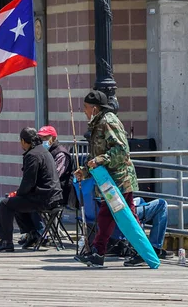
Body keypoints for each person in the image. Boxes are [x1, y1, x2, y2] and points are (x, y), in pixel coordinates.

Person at [74, 90, 139, 268]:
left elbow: (121, 150)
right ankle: (98, 252)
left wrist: (98, 161)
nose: (84, 111)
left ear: (94, 108)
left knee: (123, 217)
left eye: (86, 108)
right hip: (110, 181)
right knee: (110, 216)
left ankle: (102, 252)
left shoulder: (108, 121)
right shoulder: (99, 123)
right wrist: (85, 171)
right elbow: (98, 154)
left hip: (120, 180)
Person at [0, 127, 63, 252]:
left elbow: (29, 182)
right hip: (53, 197)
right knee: (16, 202)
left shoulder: (32, 155)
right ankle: (33, 234)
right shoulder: (43, 151)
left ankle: (5, 241)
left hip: (44, 198)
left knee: (6, 204)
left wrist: (18, 193)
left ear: (23, 141)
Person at [17, 125, 74, 248]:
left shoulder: (61, 154)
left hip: (58, 193)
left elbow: (55, 177)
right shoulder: (42, 152)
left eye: (45, 138)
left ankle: (41, 233)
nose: (42, 141)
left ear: (52, 138)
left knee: (32, 200)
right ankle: (32, 233)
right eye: (40, 138)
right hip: (45, 191)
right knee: (18, 199)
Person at [110, 197, 174, 266]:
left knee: (140, 200)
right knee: (162, 204)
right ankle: (152, 249)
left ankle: (142, 249)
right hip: (121, 214)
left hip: (111, 214)